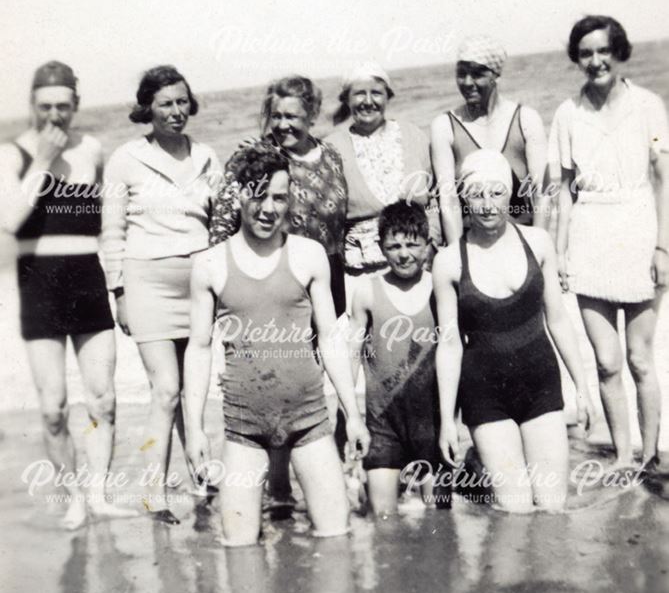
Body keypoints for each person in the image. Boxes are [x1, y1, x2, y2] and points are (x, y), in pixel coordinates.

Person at [184, 142, 369, 546]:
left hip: (310, 422)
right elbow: (198, 349)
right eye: (258, 194)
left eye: (279, 197)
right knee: (239, 545)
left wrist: (352, 413)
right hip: (243, 429)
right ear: (237, 194)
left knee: (336, 538)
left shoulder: (309, 255)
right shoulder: (210, 265)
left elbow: (330, 338)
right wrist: (195, 427)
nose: (269, 208)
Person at [0, 61, 132, 528]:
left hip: (86, 277)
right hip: (37, 280)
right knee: (53, 406)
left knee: (103, 399)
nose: (54, 116)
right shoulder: (11, 154)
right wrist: (39, 162)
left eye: (62, 106)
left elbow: (105, 219)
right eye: (44, 107)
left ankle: (98, 494)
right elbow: (10, 221)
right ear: (31, 107)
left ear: (76, 105)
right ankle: (72, 498)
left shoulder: (91, 148)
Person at [209, 75, 349, 507]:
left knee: (314, 380)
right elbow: (222, 222)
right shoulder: (253, 158)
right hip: (272, 282)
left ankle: (319, 474)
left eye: (293, 116)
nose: (284, 124)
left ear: (312, 116)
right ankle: (279, 485)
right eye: (277, 115)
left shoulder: (331, 156)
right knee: (277, 377)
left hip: (327, 277)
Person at [432, 149, 595, 512]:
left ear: (510, 193)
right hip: (485, 395)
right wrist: (447, 421)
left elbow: (558, 319)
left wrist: (583, 389)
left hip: (541, 384)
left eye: (496, 192)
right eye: (477, 194)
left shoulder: (537, 242)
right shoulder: (448, 263)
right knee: (516, 512)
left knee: (553, 507)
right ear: (464, 199)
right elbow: (449, 344)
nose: (488, 204)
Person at [102, 65, 222, 523]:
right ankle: (153, 494)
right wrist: (120, 293)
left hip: (199, 283)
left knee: (194, 393)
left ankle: (200, 481)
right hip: (146, 282)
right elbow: (112, 231)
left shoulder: (208, 155)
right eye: (166, 103)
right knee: (166, 390)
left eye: (182, 102)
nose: (176, 111)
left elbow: (222, 225)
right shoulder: (125, 159)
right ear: (147, 108)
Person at [550, 15, 669, 467]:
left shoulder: (649, 106)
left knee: (640, 359)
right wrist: (558, 253)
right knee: (607, 362)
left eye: (603, 50)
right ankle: (622, 458)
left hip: (640, 232)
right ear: (577, 59)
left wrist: (664, 247)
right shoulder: (567, 113)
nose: (596, 61)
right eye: (586, 53)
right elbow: (561, 188)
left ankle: (653, 456)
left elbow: (664, 178)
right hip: (590, 237)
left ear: (618, 52)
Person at [348, 201, 445, 515]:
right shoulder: (366, 291)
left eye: (413, 244)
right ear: (380, 248)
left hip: (432, 425)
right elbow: (350, 356)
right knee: (384, 522)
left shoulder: (440, 289)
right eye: (394, 246)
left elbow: (457, 352)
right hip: (383, 424)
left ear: (428, 244)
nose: (404, 254)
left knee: (440, 521)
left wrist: (454, 421)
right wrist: (350, 415)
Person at [431, 34, 550, 246]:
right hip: (471, 244)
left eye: (477, 74)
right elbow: (448, 200)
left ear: (496, 75)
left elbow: (542, 193)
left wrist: (539, 247)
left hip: (521, 242)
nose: (467, 82)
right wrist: (459, 257)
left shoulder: (526, 120)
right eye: (461, 74)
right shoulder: (444, 126)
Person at [327, 62, 440, 276]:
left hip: (419, 263)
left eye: (376, 93)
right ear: (346, 99)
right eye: (360, 94)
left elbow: (435, 200)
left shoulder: (413, 135)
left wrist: (431, 244)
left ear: (388, 96)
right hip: (363, 270)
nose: (368, 102)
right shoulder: (331, 148)